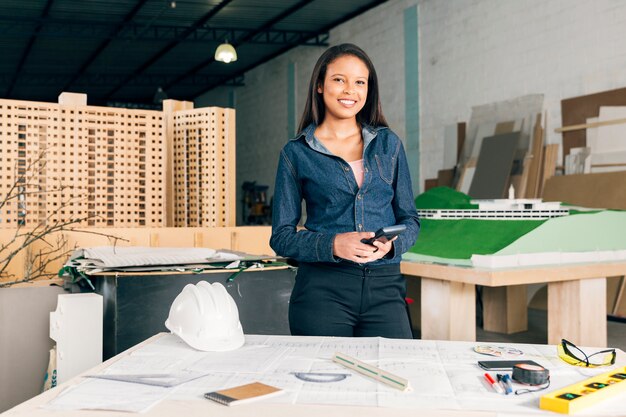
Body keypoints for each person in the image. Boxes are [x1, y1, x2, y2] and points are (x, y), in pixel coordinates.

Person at [270, 43, 420, 339]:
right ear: (320, 86)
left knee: (394, 375)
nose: (350, 90)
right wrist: (334, 245)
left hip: (385, 288)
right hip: (322, 292)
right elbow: (281, 238)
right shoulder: (296, 153)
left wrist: (392, 246)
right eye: (339, 79)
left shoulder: (389, 144)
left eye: (359, 82)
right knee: (326, 382)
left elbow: (411, 220)